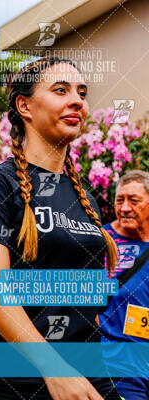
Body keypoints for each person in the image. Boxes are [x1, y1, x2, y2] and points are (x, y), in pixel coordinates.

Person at [0, 57, 120, 399]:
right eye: (60, 90)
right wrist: (52, 368)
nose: (77, 100)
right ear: (24, 105)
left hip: (84, 373)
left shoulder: (85, 195)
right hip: (8, 382)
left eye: (82, 92)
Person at [98, 170, 149, 399]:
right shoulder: (99, 241)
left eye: (134, 200)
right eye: (120, 200)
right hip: (118, 367)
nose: (125, 208)